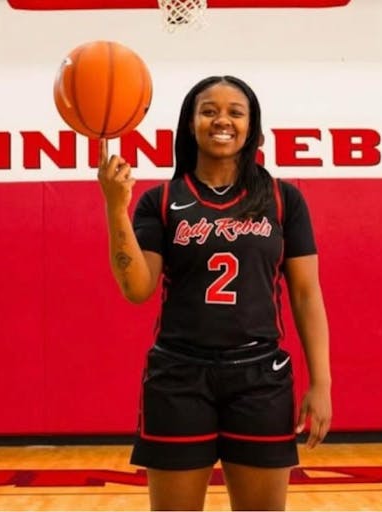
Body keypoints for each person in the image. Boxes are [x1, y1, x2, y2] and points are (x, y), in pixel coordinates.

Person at [97, 75, 332, 511]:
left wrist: (322, 383)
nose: (221, 120)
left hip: (260, 376)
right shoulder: (161, 200)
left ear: (252, 128)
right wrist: (115, 206)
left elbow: (306, 296)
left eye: (234, 112)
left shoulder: (284, 200)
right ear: (190, 124)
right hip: (178, 376)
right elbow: (137, 287)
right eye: (208, 111)